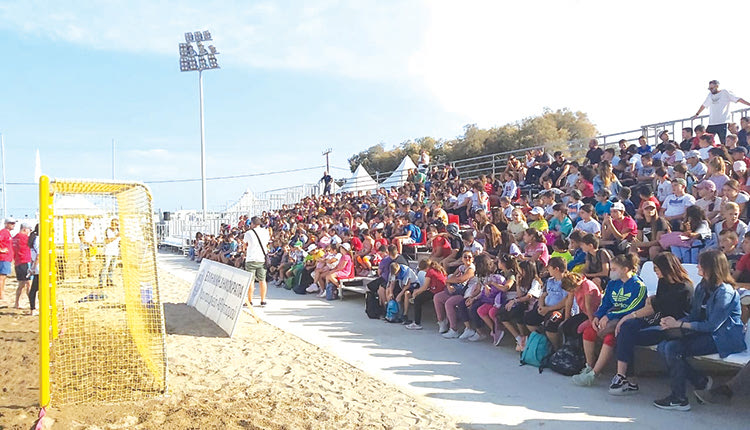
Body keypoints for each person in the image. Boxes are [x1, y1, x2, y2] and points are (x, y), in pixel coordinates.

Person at [654, 250, 746, 411]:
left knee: (672, 348)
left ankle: (679, 398)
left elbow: (712, 326)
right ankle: (700, 382)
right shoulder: (702, 287)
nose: (697, 266)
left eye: (701, 264)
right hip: (704, 333)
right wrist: (673, 322)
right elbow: (694, 315)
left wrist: (680, 325)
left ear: (711, 267)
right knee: (663, 346)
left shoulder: (725, 292)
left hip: (722, 338)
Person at [610, 253, 693, 395]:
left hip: (671, 326)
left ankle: (627, 379)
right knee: (627, 328)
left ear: (667, 268)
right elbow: (658, 303)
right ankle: (623, 376)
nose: (655, 272)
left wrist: (627, 316)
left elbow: (654, 307)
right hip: (658, 319)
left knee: (627, 332)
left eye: (657, 268)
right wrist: (653, 299)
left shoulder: (683, 287)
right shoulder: (664, 281)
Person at [572, 253, 646, 386]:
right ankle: (589, 366)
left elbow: (633, 308)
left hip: (623, 321)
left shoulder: (639, 286)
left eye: (614, 269)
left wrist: (609, 316)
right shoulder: (612, 284)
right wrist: (597, 316)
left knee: (609, 337)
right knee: (589, 331)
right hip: (606, 319)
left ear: (625, 269)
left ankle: (594, 374)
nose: (610, 272)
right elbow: (605, 303)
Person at [498, 259, 542, 351]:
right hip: (524, 304)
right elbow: (519, 295)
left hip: (533, 307)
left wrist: (514, 301)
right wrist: (518, 283)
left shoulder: (535, 281)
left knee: (517, 312)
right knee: (502, 313)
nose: (519, 271)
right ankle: (519, 337)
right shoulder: (523, 280)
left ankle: (524, 337)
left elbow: (529, 296)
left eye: (520, 269)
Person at [692, 80, 750, 144]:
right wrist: (697, 114)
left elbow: (738, 99)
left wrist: (749, 104)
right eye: (709, 88)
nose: (710, 90)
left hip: (722, 122)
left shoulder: (725, 92)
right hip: (712, 123)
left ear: (717, 86)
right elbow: (704, 105)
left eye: (712, 88)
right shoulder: (710, 95)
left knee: (723, 142)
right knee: (706, 140)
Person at [437, 251, 477, 338]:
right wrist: (448, 285)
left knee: (449, 302)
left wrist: (448, 281)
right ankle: (442, 322)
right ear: (462, 259)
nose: (467, 259)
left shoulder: (471, 269)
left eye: (469, 257)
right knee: (438, 297)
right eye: (465, 257)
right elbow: (451, 277)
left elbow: (461, 280)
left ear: (473, 259)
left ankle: (454, 329)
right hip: (458, 289)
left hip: (467, 293)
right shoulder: (461, 267)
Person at [404, 259, 446, 330]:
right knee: (421, 295)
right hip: (440, 290)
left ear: (425, 268)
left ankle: (417, 323)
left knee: (417, 300)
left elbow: (425, 287)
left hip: (436, 292)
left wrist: (416, 292)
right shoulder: (437, 269)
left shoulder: (430, 272)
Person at [243, 216, 271, 307]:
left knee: (250, 281)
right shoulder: (266, 232)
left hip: (251, 258)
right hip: (262, 258)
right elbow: (266, 243)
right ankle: (263, 300)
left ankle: (250, 301)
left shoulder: (248, 233)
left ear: (252, 223)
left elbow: (244, 245)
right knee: (262, 280)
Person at [12, 223, 32, 309]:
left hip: (17, 262)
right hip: (25, 261)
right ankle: (32, 304)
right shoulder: (25, 238)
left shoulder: (14, 238)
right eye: (29, 230)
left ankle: (16, 303)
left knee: (21, 284)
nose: (29, 232)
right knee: (29, 284)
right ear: (24, 229)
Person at [99, 218, 120, 288]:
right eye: (113, 224)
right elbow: (107, 241)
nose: (115, 225)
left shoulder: (118, 230)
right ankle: (101, 282)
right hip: (108, 252)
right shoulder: (108, 230)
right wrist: (116, 236)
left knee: (112, 267)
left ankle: (109, 281)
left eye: (116, 224)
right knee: (105, 267)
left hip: (115, 251)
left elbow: (119, 241)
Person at [0, 218, 15, 302]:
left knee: (4, 277)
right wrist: (1, 250)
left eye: (13, 223)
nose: (13, 225)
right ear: (6, 224)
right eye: (11, 223)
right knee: (2, 277)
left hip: (7, 258)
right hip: (3, 258)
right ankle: (1, 294)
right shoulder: (3, 232)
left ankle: (2, 293)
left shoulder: (8, 233)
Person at [27, 225, 40, 315]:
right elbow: (39, 255)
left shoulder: (34, 238)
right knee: (35, 290)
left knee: (34, 290)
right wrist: (33, 268)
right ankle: (33, 309)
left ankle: (33, 308)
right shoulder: (38, 239)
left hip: (37, 267)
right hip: (39, 268)